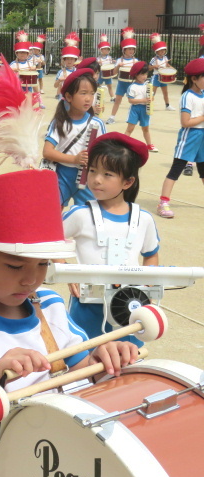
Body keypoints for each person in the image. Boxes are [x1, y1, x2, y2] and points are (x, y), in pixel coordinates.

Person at [0, 169, 139, 477]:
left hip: (54, 464)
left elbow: (80, 367)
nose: (31, 279)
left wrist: (104, 361)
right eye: (15, 265)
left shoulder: (50, 305)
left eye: (43, 264)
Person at [62, 132, 159, 346]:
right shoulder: (80, 214)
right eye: (93, 171)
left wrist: (146, 288)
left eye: (107, 174)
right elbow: (49, 239)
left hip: (130, 309)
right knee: (85, 360)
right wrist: (67, 273)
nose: (96, 179)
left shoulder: (144, 219)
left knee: (129, 360)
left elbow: (151, 255)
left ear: (128, 182)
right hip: (87, 309)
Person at [42, 69, 106, 208]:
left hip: (88, 176)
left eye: (92, 93)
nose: (89, 98)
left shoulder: (97, 123)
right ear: (69, 97)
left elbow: (104, 152)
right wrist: (74, 159)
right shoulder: (59, 122)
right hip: (62, 176)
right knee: (53, 214)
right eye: (83, 93)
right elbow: (47, 152)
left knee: (89, 216)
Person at [157, 58, 204, 219]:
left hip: (202, 136)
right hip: (190, 136)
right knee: (176, 169)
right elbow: (185, 122)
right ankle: (163, 203)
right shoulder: (187, 96)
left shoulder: (203, 93)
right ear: (194, 79)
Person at [123, 61, 158, 153]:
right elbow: (131, 100)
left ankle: (149, 145)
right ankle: (123, 143)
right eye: (142, 74)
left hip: (145, 109)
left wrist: (151, 98)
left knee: (146, 128)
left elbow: (152, 96)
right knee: (130, 128)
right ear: (135, 75)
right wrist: (144, 100)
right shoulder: (132, 87)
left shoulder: (148, 85)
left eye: (146, 74)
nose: (144, 76)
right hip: (135, 109)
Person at [106, 28, 138, 125]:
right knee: (118, 100)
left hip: (132, 83)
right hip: (121, 83)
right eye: (129, 49)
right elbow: (113, 73)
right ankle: (112, 117)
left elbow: (138, 74)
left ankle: (134, 118)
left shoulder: (136, 61)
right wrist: (118, 66)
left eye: (132, 49)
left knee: (134, 101)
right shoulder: (120, 60)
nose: (131, 51)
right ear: (124, 50)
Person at [149, 33, 176, 111]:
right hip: (156, 76)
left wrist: (172, 69)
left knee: (165, 92)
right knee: (153, 92)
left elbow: (167, 65)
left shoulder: (165, 58)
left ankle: (167, 105)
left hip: (164, 77)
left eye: (163, 50)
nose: (162, 52)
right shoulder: (154, 59)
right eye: (160, 50)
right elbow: (149, 68)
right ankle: (150, 104)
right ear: (157, 51)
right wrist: (154, 66)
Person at [53, 34, 80, 100]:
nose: (69, 61)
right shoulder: (61, 72)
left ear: (75, 60)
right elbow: (55, 86)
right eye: (67, 59)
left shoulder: (78, 71)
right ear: (64, 60)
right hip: (63, 97)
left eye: (71, 59)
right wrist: (59, 80)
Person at [96, 35, 116, 102]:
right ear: (101, 50)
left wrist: (113, 62)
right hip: (101, 74)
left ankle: (112, 97)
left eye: (108, 49)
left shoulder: (109, 57)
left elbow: (111, 65)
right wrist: (99, 63)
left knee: (110, 86)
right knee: (98, 85)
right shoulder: (99, 58)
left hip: (108, 74)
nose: (107, 50)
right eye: (105, 49)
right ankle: (97, 96)